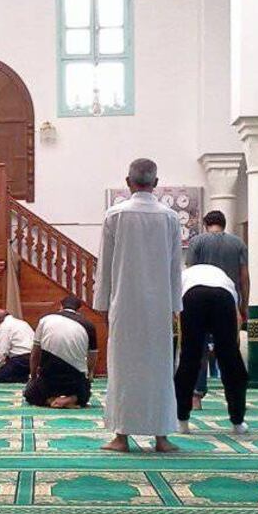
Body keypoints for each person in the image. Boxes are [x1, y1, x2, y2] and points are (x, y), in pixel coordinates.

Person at [94, 158, 182, 453]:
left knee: (123, 370)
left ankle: (121, 437)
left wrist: (102, 305)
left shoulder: (115, 215)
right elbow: (174, 268)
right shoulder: (170, 218)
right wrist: (174, 308)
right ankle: (161, 437)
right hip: (159, 306)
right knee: (159, 369)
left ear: (128, 182)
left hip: (124, 304)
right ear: (156, 184)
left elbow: (104, 267)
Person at [174, 263, 249, 434]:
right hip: (222, 298)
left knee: (189, 358)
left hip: (192, 297)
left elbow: (176, 311)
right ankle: (238, 422)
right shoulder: (225, 280)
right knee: (230, 359)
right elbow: (236, 318)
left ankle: (182, 422)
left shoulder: (184, 277)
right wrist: (231, 343)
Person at [186, 210, 249, 406]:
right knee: (229, 349)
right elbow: (244, 277)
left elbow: (190, 272)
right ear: (224, 223)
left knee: (199, 348)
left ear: (206, 224)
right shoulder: (238, 243)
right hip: (227, 299)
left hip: (198, 298)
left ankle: (196, 396)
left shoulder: (197, 242)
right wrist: (243, 305)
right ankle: (235, 398)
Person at [23, 296, 97, 408]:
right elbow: (93, 355)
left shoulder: (45, 320)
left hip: (50, 376)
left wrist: (33, 377)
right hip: (74, 378)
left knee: (29, 394)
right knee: (85, 394)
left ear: (60, 307)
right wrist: (90, 374)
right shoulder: (89, 325)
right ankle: (69, 399)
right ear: (79, 310)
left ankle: (51, 400)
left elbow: (35, 353)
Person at [0, 309, 35, 383]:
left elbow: (2, 351)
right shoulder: (23, 323)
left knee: (1, 376)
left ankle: (25, 378)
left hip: (20, 360)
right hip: (34, 359)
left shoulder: (4, 325)